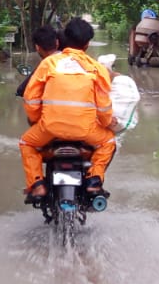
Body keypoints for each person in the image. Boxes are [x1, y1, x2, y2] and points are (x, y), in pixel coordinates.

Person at [19, 18, 115, 201]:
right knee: (108, 141)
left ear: (61, 40)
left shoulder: (48, 64)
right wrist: (106, 123)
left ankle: (37, 185)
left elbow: (31, 99)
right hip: (85, 131)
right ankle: (94, 180)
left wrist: (36, 120)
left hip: (50, 129)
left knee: (26, 143)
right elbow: (104, 108)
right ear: (87, 44)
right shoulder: (97, 69)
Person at [15, 25, 62, 98]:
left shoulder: (44, 66)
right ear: (57, 42)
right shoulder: (76, 59)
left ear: (37, 47)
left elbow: (21, 90)